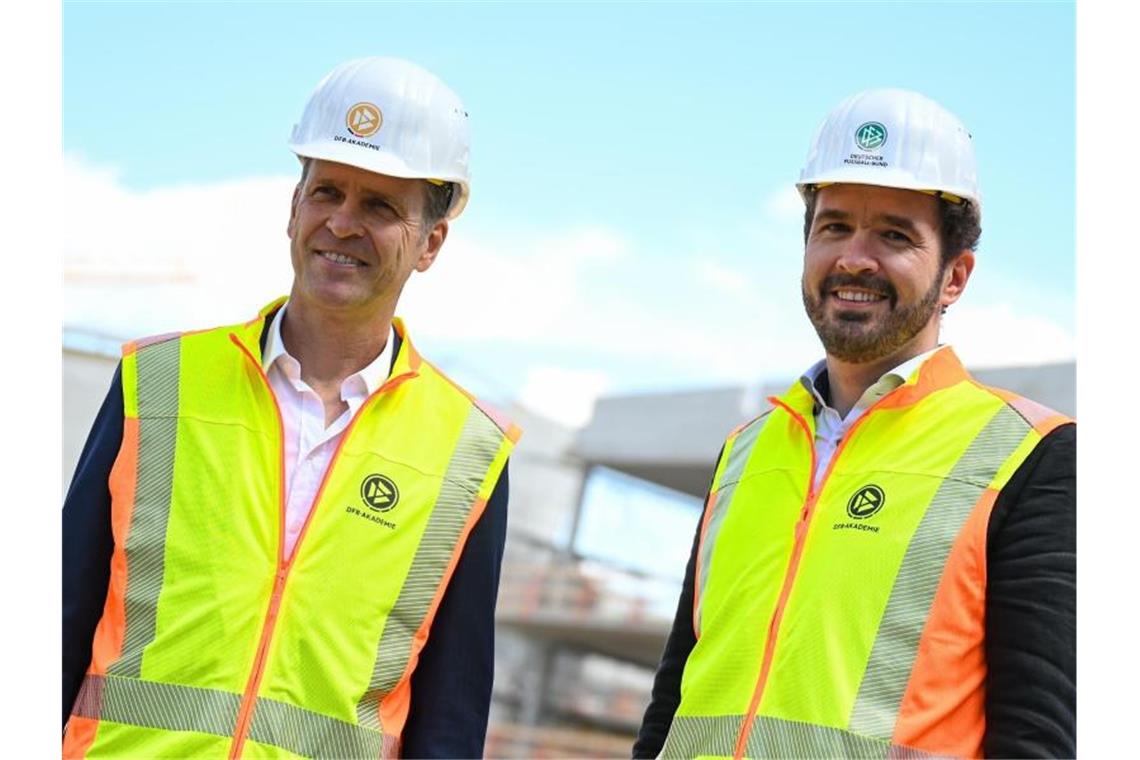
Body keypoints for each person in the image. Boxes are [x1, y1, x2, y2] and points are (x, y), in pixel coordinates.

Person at [62, 57, 521, 759]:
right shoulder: (155, 381)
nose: (342, 223)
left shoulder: (469, 452)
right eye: (327, 192)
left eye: (379, 207)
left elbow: (449, 718)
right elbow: (57, 619)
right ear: (292, 207)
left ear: (430, 243)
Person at [633, 89, 1075, 758]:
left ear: (955, 276)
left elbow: (1039, 731)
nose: (854, 258)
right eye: (834, 226)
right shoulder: (745, 453)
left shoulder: (1032, 456)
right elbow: (675, 698)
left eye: (894, 234)